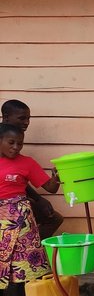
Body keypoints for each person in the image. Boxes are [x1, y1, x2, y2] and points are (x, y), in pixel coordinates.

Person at [0, 123, 60, 296]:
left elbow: (50, 188)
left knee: (22, 269)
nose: (16, 147)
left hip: (20, 222)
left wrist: (56, 178)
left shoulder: (27, 163)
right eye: (11, 142)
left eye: (20, 143)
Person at [1, 100, 63, 240]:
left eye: (28, 118)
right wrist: (38, 198)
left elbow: (17, 175)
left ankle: (31, 245)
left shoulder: (24, 161)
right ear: (6, 117)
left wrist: (38, 198)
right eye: (22, 118)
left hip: (16, 206)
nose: (27, 123)